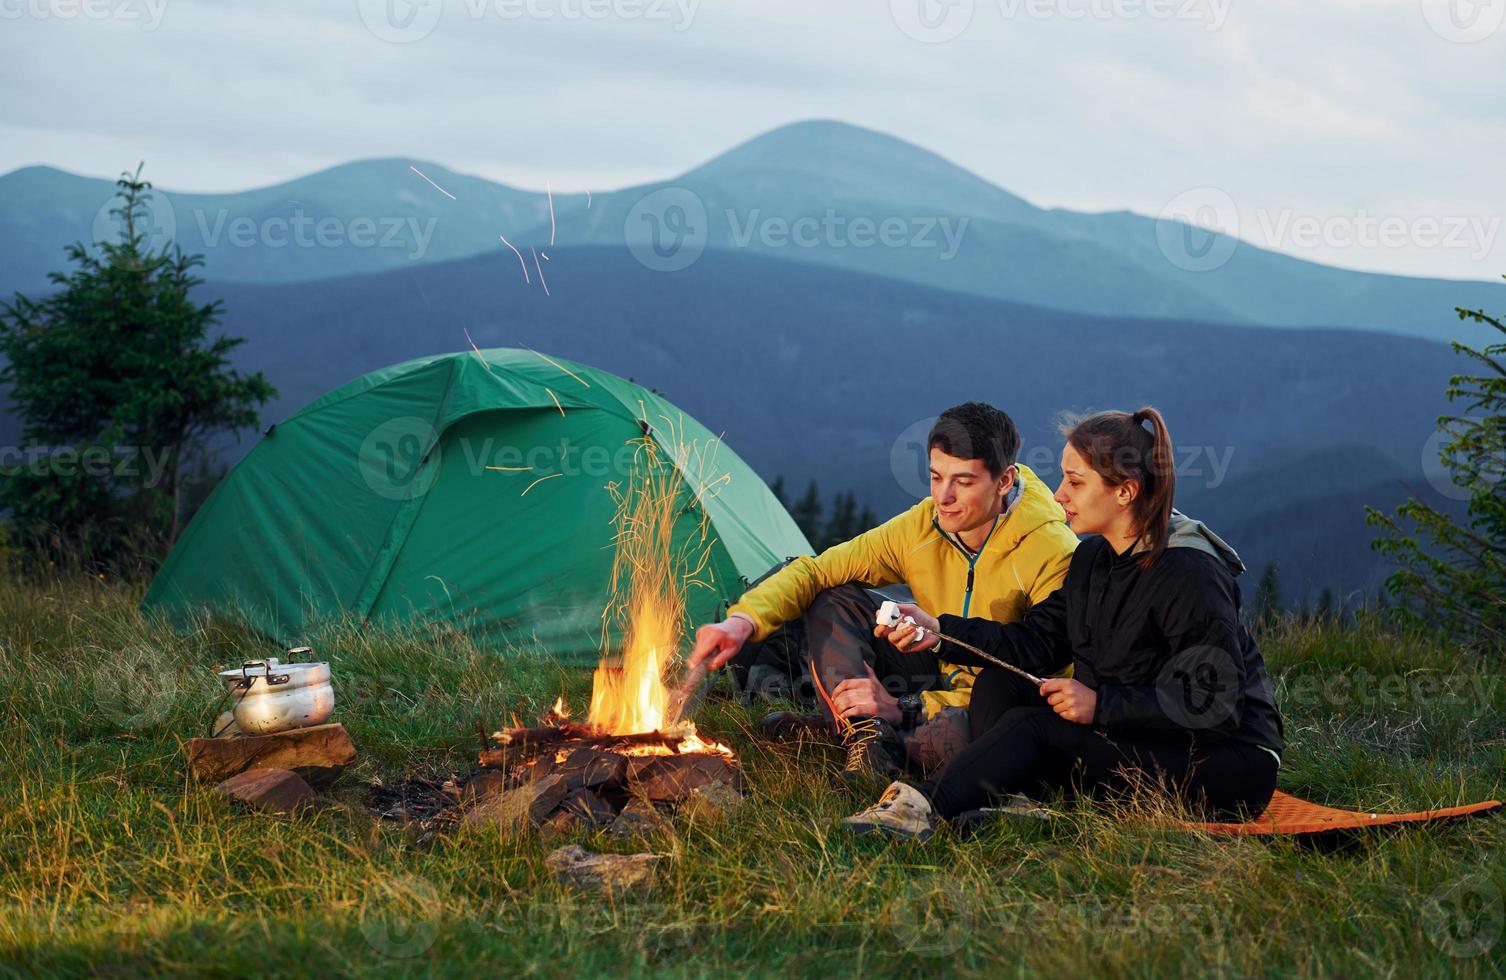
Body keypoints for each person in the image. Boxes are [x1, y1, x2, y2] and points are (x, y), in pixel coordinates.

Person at [841, 407, 1284, 840]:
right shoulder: (1094, 559)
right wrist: (939, 631)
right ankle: (1025, 805)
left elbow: (1214, 706)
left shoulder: (1189, 574)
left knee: (1034, 729)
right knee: (1000, 683)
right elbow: (1035, 642)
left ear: (1125, 492)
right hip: (1137, 734)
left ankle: (917, 810)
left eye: (1074, 481)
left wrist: (1101, 705)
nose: (1057, 495)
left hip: (1225, 767)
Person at [687, 402, 1079, 782]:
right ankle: (865, 734)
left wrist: (905, 707)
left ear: (1005, 480)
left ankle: (856, 732)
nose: (943, 497)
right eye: (936, 476)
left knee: (963, 741)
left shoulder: (1051, 549)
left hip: (991, 702)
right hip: (928, 670)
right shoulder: (922, 527)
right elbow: (816, 570)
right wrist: (743, 621)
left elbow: (1040, 670)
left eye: (963, 482)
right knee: (835, 593)